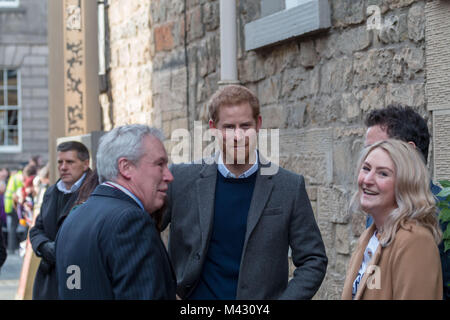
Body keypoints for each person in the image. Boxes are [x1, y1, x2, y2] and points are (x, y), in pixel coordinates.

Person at [162, 84, 327, 300]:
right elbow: (144, 233)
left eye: (245, 126)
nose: (238, 136)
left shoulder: (289, 186)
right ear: (213, 128)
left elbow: (313, 259)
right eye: (229, 127)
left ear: (258, 124)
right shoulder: (181, 180)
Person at [56, 124, 176, 299]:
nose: (169, 175)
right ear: (125, 167)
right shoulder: (130, 221)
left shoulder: (74, 217)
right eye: (160, 164)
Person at [364, 104, 450, 299]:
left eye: (379, 149)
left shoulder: (443, 214)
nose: (368, 160)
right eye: (367, 151)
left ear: (410, 153)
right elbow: (373, 284)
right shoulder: (377, 213)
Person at [342, 139, 442, 299]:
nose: (367, 180)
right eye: (366, 168)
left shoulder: (415, 241)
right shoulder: (370, 236)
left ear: (406, 185)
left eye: (383, 173)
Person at [29, 141, 91, 300]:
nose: (63, 167)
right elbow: (37, 228)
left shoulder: (95, 192)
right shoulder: (51, 192)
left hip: (79, 276)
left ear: (85, 164)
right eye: (60, 162)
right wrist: (44, 245)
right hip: (49, 278)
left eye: (70, 162)